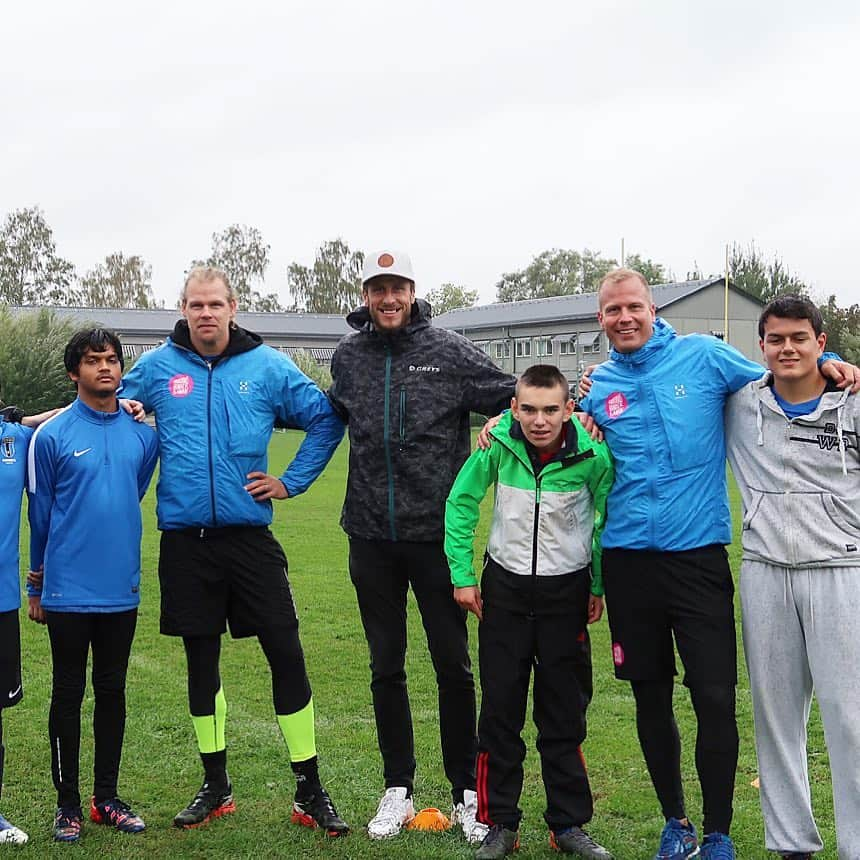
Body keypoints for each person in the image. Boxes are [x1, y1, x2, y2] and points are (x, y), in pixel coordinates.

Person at [575, 269, 860, 860]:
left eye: (634, 307)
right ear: (600, 320)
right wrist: (501, 424)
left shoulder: (706, 358)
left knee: (713, 696)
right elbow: (549, 425)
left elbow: (784, 375)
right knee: (649, 699)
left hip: (699, 559)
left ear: (654, 310)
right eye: (611, 312)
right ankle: (675, 822)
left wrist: (831, 361)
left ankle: (719, 833)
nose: (624, 318)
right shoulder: (596, 386)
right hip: (629, 564)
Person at [120, 266, 349, 836]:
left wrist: (289, 481)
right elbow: (112, 403)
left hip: (250, 541)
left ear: (233, 306)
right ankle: (215, 785)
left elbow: (325, 419)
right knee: (201, 662)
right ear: (183, 307)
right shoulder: (157, 367)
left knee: (286, 653)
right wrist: (124, 407)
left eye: (214, 303)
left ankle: (309, 788)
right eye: (195, 304)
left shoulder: (268, 366)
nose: (205, 313)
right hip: (185, 544)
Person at [327, 249, 517, 841]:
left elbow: (515, 396)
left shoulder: (448, 350)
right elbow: (329, 413)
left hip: (439, 541)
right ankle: (397, 790)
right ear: (365, 295)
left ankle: (466, 792)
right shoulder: (348, 356)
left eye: (397, 288)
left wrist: (500, 422)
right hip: (370, 537)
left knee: (453, 667)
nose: (388, 299)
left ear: (412, 291)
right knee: (386, 666)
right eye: (377, 289)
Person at [445, 364, 614, 860]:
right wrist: (462, 574)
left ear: (568, 409)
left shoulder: (591, 451)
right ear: (513, 409)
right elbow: (461, 502)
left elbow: (606, 516)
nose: (540, 421)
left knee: (564, 715)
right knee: (499, 713)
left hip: (567, 593)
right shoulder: (497, 442)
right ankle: (500, 823)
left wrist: (598, 582)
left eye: (550, 410)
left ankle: (568, 825)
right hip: (507, 593)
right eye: (529, 410)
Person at [725, 296, 860, 860]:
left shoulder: (853, 403)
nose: (788, 348)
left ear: (820, 343)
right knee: (775, 717)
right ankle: (791, 845)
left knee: (849, 716)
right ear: (761, 347)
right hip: (765, 571)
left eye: (799, 338)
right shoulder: (737, 404)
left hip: (842, 571)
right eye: (776, 339)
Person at [26, 328, 159, 843]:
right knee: (67, 693)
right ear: (73, 372)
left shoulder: (143, 436)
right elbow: (40, 516)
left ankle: (106, 798)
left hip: (120, 588)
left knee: (112, 691)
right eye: (92, 361)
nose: (104, 368)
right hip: (65, 590)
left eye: (111, 360)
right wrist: (37, 588)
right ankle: (67, 806)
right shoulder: (52, 437)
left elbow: (135, 491)